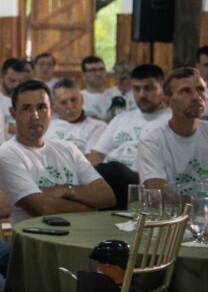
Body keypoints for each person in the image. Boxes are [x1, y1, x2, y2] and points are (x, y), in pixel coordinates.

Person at [0, 80, 114, 224]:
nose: (35, 116)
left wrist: (65, 190)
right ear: (13, 113)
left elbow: (107, 196)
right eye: (26, 108)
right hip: (37, 240)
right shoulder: (7, 155)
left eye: (42, 107)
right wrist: (92, 207)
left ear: (51, 111)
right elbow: (43, 209)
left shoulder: (68, 149)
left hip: (81, 232)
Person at [87, 64, 170, 209]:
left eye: (149, 88)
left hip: (141, 180)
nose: (142, 95)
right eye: (136, 89)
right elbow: (96, 155)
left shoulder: (171, 120)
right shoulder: (122, 118)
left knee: (113, 171)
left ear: (162, 88)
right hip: (107, 176)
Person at [137, 67, 208, 200]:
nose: (196, 97)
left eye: (200, 89)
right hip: (174, 218)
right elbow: (157, 195)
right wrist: (201, 208)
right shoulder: (152, 141)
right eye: (185, 91)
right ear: (167, 101)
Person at [47, 79, 107, 153]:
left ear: (82, 100)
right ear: (54, 106)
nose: (70, 106)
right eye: (63, 102)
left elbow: (91, 160)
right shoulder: (46, 127)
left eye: (73, 100)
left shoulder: (98, 127)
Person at [80, 55, 113, 121]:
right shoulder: (78, 99)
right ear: (83, 75)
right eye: (93, 70)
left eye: (101, 69)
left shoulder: (116, 96)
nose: (98, 74)